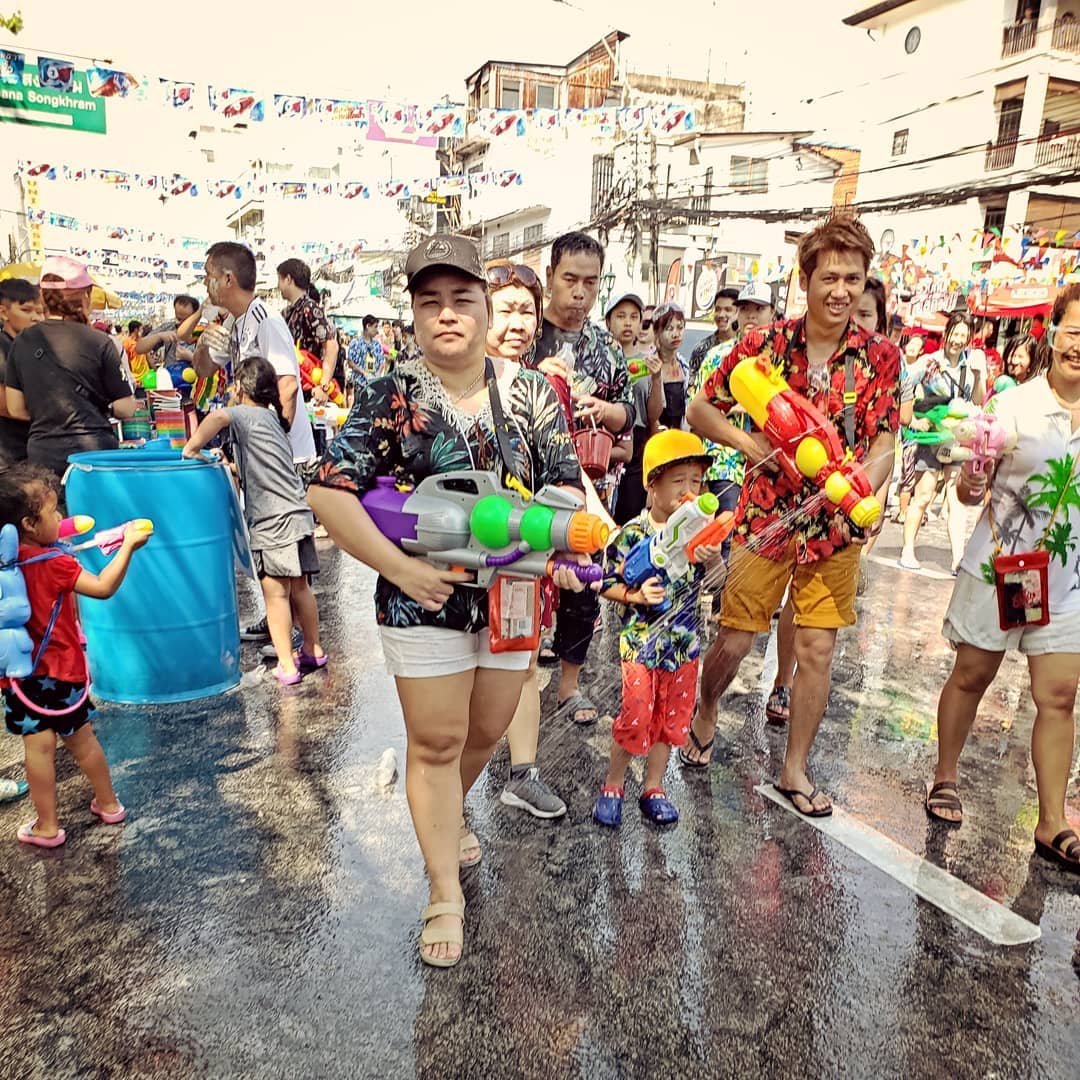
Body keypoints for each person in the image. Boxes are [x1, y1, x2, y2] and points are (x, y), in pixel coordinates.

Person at [307, 234, 587, 967]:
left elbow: (563, 479)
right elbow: (327, 493)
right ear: (414, 312)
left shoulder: (528, 392)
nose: (447, 315)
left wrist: (548, 537)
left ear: (485, 306)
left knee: (488, 731)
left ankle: (445, 808)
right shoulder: (390, 394)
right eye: (429, 302)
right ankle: (442, 889)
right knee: (434, 743)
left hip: (513, 601)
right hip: (420, 600)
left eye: (461, 299)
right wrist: (398, 569)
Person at [682, 216, 900, 817]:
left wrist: (865, 488)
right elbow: (700, 407)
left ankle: (795, 768)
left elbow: (885, 438)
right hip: (765, 516)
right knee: (737, 636)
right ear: (803, 280)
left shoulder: (879, 357)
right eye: (829, 276)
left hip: (835, 530)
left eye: (853, 278)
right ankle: (706, 707)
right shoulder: (765, 346)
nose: (842, 291)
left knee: (818, 648)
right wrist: (747, 443)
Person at [925, 282, 1080, 875]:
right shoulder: (1014, 405)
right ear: (1052, 332)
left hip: (1066, 576)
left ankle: (1051, 822)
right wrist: (969, 478)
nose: (1079, 346)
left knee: (1059, 696)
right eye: (1072, 331)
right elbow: (973, 482)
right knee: (973, 673)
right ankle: (945, 776)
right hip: (1002, 564)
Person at [0, 464, 151, 847]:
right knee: (84, 742)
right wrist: (128, 547)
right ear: (30, 524)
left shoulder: (9, 562)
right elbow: (101, 587)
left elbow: (56, 533)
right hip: (64, 673)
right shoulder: (57, 564)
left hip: (24, 677)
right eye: (54, 513)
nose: (63, 519)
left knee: (39, 750)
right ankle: (109, 803)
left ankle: (47, 827)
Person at [593, 430, 723, 828]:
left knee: (671, 722)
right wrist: (634, 596)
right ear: (652, 484)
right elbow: (603, 580)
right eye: (678, 480)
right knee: (635, 716)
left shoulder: (701, 532)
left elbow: (716, 583)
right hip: (641, 646)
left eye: (696, 482)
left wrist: (714, 558)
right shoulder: (634, 533)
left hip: (684, 649)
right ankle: (613, 785)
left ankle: (653, 788)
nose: (689, 490)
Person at [533, 231, 633, 726]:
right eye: (569, 279)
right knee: (520, 581)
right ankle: (517, 683)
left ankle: (568, 686)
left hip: (588, 488)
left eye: (590, 283)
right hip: (526, 488)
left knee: (582, 587)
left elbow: (628, 417)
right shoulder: (526, 336)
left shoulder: (604, 347)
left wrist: (606, 410)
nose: (579, 293)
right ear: (550, 275)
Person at [483, 259, 566, 820]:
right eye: (506, 310)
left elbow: (560, 470)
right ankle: (451, 800)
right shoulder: (448, 379)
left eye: (527, 312)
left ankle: (522, 773)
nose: (517, 323)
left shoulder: (539, 388)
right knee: (459, 672)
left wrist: (557, 524)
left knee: (523, 663)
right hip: (456, 559)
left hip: (520, 556)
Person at [183, 357, 325, 685]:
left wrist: (191, 448)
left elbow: (218, 416)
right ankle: (313, 650)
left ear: (241, 388)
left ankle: (287, 665)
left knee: (275, 595)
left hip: (272, 521)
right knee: (301, 588)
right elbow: (264, 468)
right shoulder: (273, 418)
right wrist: (231, 465)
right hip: (298, 515)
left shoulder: (244, 413)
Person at [5, 256, 137, 480]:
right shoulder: (99, 341)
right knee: (97, 514)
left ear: (43, 297)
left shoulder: (23, 341)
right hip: (95, 453)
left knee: (53, 514)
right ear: (84, 296)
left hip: (43, 454)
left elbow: (15, 408)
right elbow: (126, 408)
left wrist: (50, 415)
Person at [192, 242, 316, 468]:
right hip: (258, 455)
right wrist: (201, 344)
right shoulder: (231, 321)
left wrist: (271, 453)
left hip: (285, 458)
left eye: (208, 275)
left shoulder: (266, 319)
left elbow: (287, 387)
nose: (204, 283)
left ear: (228, 279)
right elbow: (204, 370)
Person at [898, 310, 986, 573]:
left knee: (955, 496)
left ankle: (958, 557)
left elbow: (979, 399)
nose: (958, 340)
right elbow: (903, 383)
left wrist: (979, 375)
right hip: (930, 438)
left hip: (956, 438)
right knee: (923, 496)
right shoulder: (929, 362)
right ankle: (907, 549)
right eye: (955, 333)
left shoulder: (969, 366)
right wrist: (911, 418)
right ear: (946, 334)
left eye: (963, 335)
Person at [608, 293, 662, 526]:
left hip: (637, 444)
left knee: (629, 515)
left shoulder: (647, 361)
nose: (628, 323)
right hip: (606, 440)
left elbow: (653, 415)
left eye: (634, 317)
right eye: (621, 316)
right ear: (608, 322)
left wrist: (657, 378)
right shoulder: (598, 358)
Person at [278, 258, 339, 400]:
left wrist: (324, 385)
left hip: (309, 388)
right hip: (292, 386)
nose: (278, 286)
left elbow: (331, 345)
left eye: (279, 280)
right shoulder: (288, 312)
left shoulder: (309, 307)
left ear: (288, 279)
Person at [0, 278, 43, 468]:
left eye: (39, 311)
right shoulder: (3, 347)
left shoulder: (31, 348)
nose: (36, 317)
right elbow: (6, 405)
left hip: (32, 448)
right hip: (10, 454)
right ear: (3, 312)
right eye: (26, 310)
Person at [893, 335, 927, 525]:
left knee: (910, 469)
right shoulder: (897, 361)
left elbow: (920, 402)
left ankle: (907, 511)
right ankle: (903, 511)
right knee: (907, 469)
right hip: (902, 427)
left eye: (917, 345)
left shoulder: (921, 373)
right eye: (911, 343)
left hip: (911, 430)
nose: (913, 347)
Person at [135, 294, 200, 371]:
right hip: (170, 378)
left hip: (194, 379)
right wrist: (158, 336)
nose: (181, 324)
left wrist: (191, 357)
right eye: (178, 318)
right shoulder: (169, 327)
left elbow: (211, 366)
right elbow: (139, 348)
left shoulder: (202, 331)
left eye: (186, 320)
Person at [688, 287, 739, 385]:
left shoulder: (746, 346)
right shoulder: (701, 349)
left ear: (738, 313)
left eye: (728, 310)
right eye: (718, 309)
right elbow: (691, 387)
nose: (721, 315)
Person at [652, 302, 689, 431]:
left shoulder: (685, 367)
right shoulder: (650, 365)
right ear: (656, 332)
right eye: (669, 328)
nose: (676, 334)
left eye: (680, 327)